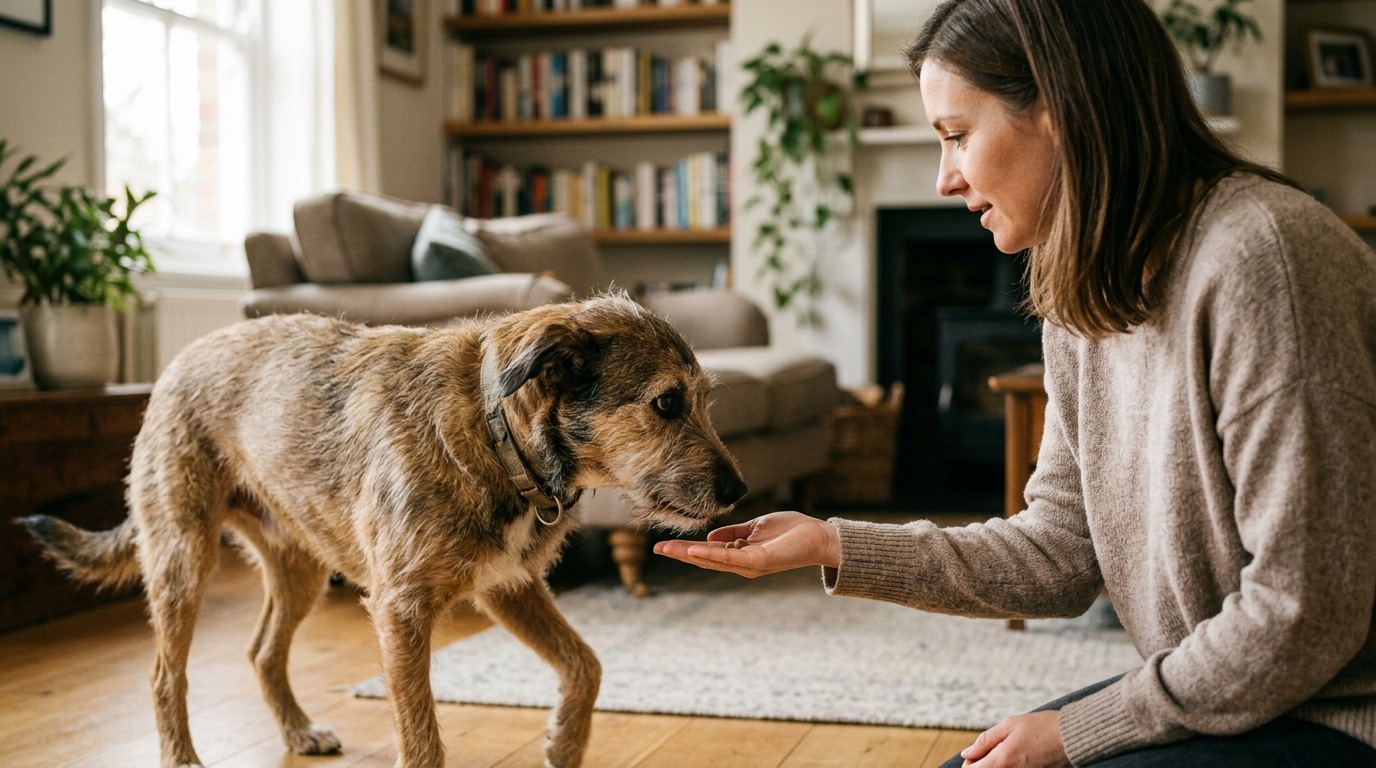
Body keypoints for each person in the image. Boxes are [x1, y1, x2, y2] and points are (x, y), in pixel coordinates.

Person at [655, 0, 1376, 765]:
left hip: (1340, 714)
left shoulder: (1264, 259)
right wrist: (832, 544)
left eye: (957, 135)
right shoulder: (1084, 288)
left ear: (1059, 110)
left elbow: (1307, 612)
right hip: (1236, 702)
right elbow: (1061, 553)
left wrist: (1080, 729)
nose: (944, 177)